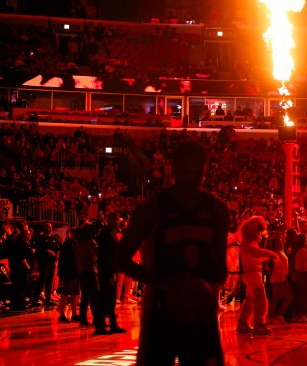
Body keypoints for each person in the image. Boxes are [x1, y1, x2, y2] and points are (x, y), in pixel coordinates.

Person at [115, 141, 230, 366]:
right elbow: (119, 258)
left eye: (197, 172)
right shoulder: (151, 209)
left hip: (200, 312)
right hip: (162, 308)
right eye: (186, 171)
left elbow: (220, 267)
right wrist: (163, 282)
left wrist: (207, 291)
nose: (192, 178)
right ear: (173, 169)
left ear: (205, 171)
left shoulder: (217, 209)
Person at [236, 216, 278, 335]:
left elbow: (257, 256)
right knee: (261, 299)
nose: (261, 235)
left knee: (250, 300)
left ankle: (242, 324)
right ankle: (259, 325)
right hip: (252, 274)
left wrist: (267, 257)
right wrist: (271, 254)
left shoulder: (249, 242)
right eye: (260, 232)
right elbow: (256, 253)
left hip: (251, 274)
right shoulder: (247, 243)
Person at [96, 213, 126, 333]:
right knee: (105, 298)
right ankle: (100, 326)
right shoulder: (105, 235)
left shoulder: (111, 234)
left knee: (111, 299)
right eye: (115, 220)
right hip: (106, 271)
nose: (117, 222)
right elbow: (105, 255)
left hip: (111, 270)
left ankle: (111, 324)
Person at [57, 229, 80, 323]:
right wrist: (61, 273)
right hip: (70, 272)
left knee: (75, 294)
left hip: (76, 272)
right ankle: (61, 314)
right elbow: (63, 259)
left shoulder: (76, 244)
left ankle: (74, 314)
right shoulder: (68, 244)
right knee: (66, 293)